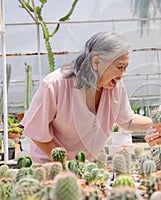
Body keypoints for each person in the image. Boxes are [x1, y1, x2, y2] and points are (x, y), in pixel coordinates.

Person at [21, 32, 152, 163]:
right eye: (120, 67)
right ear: (96, 62)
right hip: (51, 166)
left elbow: (128, 121)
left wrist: (160, 124)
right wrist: (66, 163)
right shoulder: (54, 85)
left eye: (125, 68)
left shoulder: (115, 85)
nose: (123, 74)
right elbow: (36, 132)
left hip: (89, 165)